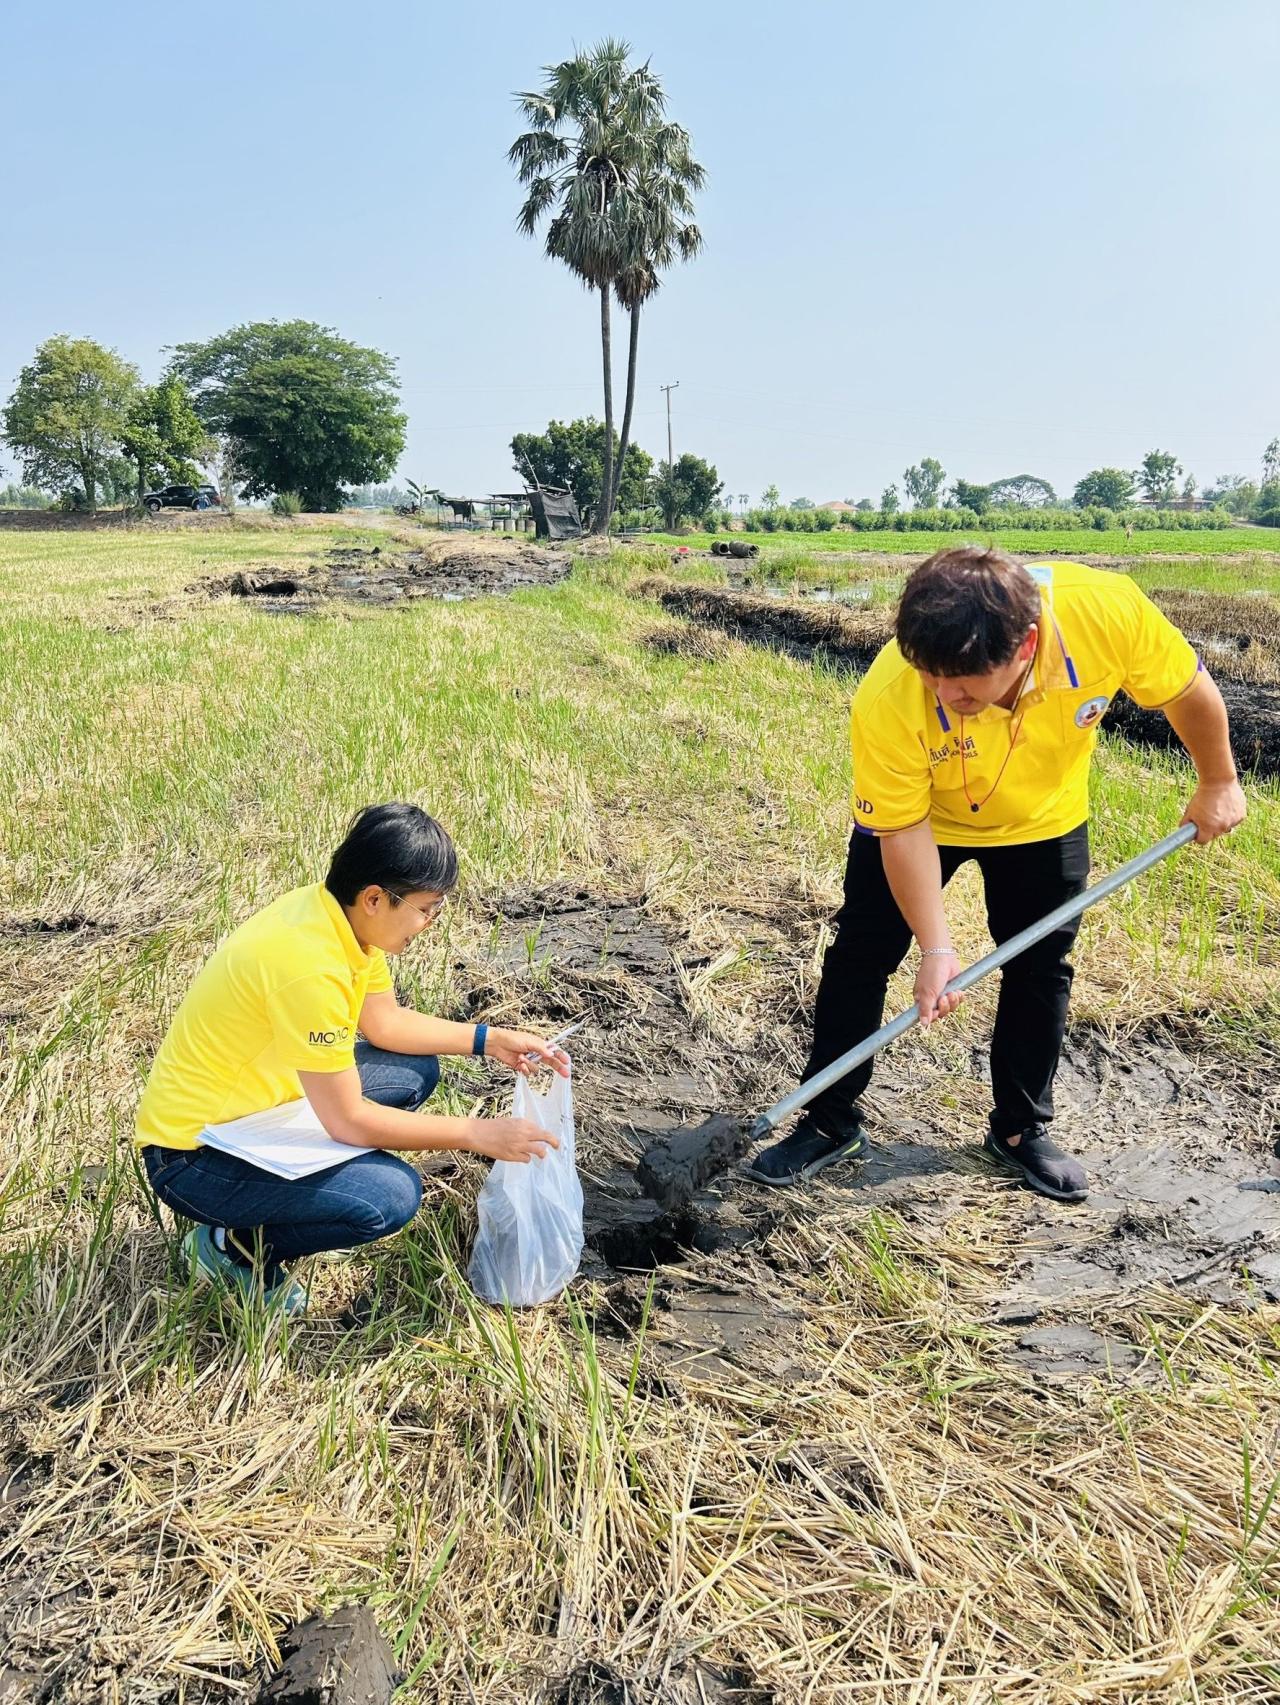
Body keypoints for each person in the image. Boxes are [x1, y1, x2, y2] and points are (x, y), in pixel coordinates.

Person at [747, 546, 1246, 1201]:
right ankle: (830, 1119)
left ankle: (1019, 1130)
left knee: (1042, 963)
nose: (944, 697)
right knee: (862, 951)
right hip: (928, 818)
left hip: (1044, 817)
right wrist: (937, 946)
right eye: (932, 678)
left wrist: (1219, 779)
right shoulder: (892, 691)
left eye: (963, 685)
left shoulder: (1107, 613)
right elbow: (900, 828)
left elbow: (1186, 689)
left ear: (1025, 645)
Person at [136, 802, 569, 1312]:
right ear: (374, 898)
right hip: (192, 1157)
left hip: (262, 1112)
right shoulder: (309, 966)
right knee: (387, 1197)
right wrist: (476, 1133)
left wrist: (488, 1039)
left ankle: (301, 1198)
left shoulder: (336, 921)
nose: (429, 922)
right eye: (427, 908)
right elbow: (347, 1120)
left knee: (414, 1070)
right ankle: (230, 1247)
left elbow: (386, 1024)